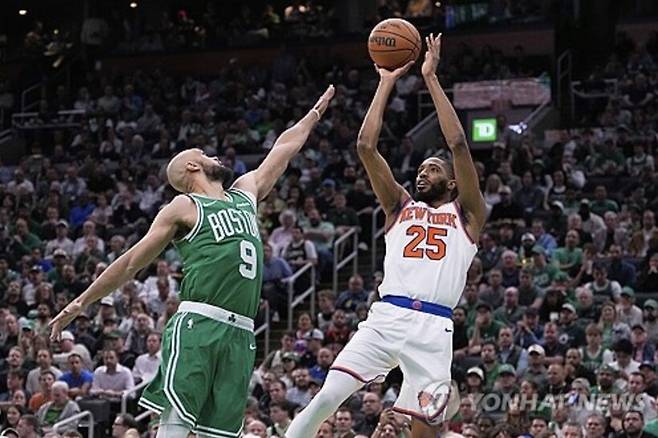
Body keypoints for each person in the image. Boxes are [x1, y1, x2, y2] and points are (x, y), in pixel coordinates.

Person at [49, 86, 335, 438]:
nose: (213, 155)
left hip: (242, 331)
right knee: (177, 420)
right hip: (199, 322)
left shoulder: (244, 193)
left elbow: (284, 148)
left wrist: (314, 114)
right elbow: (131, 262)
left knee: (221, 432)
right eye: (204, 153)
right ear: (192, 166)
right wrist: (81, 302)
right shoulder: (184, 206)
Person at [286, 34, 485, 438]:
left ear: (451, 182)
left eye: (432, 169)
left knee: (426, 432)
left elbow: (459, 144)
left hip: (434, 327)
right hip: (387, 316)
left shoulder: (467, 215)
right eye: (421, 169)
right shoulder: (399, 206)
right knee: (326, 397)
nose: (422, 173)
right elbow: (365, 146)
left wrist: (430, 77)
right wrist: (386, 82)